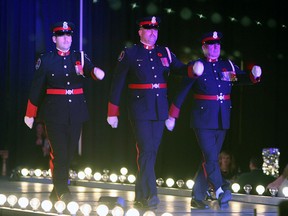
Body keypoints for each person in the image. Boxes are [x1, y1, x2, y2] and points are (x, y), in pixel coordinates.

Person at [106, 16, 197, 209]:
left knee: (151, 153)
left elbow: (181, 70)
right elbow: (117, 83)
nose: (153, 33)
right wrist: (113, 111)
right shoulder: (130, 53)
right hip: (139, 108)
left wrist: (193, 69)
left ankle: (140, 196)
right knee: (147, 150)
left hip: (159, 108)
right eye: (148, 29)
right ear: (140, 32)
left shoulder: (164, 52)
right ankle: (151, 194)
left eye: (155, 29)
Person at [165, 31, 262, 209]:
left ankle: (197, 197)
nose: (216, 48)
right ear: (204, 48)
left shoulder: (227, 65)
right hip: (202, 120)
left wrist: (252, 76)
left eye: (218, 45)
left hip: (221, 119)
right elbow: (182, 91)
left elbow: (239, 79)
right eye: (211, 45)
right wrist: (173, 114)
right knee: (211, 158)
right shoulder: (197, 65)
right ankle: (220, 189)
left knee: (208, 160)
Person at [24, 21, 105, 202]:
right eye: (62, 35)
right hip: (54, 113)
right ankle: (63, 190)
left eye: (69, 35)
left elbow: (91, 70)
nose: (67, 38)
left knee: (68, 154)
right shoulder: (46, 60)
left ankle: (55, 194)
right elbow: (36, 88)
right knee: (59, 152)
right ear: (54, 39)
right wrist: (30, 113)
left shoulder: (79, 56)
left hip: (76, 111)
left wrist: (96, 72)